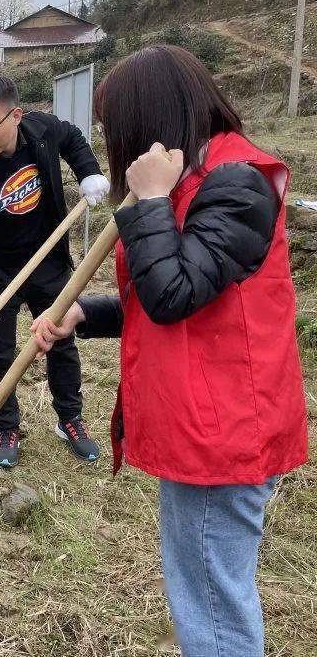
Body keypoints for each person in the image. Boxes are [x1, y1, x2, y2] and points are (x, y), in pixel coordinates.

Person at [31, 45, 308, 656]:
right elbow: (178, 295)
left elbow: (173, 293)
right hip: (206, 421)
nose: (117, 144)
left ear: (152, 122)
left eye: (119, 129)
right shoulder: (198, 180)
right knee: (204, 589)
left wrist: (152, 202)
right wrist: (86, 311)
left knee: (212, 604)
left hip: (223, 433)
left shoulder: (239, 184)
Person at [0, 75, 111, 468]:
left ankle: (69, 419)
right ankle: (6, 426)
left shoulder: (41, 131)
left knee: (60, 341)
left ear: (15, 116)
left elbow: (70, 138)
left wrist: (88, 171)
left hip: (47, 262)